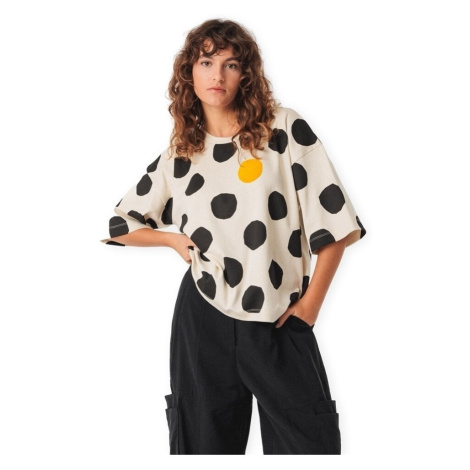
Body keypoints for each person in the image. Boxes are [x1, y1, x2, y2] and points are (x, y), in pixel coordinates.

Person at [100, 18, 366, 455]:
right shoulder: (182, 151)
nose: (217, 75)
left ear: (246, 74)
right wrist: (172, 240)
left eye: (231, 64)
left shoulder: (283, 129)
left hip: (280, 318)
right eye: (206, 63)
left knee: (310, 445)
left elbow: (337, 225)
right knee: (201, 447)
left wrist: (309, 309)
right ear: (189, 72)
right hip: (203, 318)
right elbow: (120, 224)